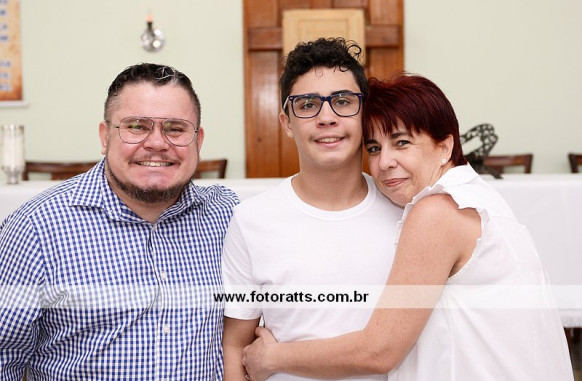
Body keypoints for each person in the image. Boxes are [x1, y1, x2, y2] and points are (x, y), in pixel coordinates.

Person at [242, 75, 574, 381]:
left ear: (444, 146)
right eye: (374, 148)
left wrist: (273, 357)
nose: (384, 162)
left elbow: (379, 351)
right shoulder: (478, 196)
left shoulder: (438, 211)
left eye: (401, 143)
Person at [0, 63, 239, 379]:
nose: (157, 143)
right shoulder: (36, 229)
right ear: (104, 137)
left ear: (198, 140)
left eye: (175, 128)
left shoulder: (228, 216)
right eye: (137, 126)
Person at [221, 38, 402, 381]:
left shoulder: (403, 210)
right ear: (286, 122)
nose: (326, 118)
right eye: (307, 105)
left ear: (365, 114)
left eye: (343, 101)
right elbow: (235, 345)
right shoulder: (252, 220)